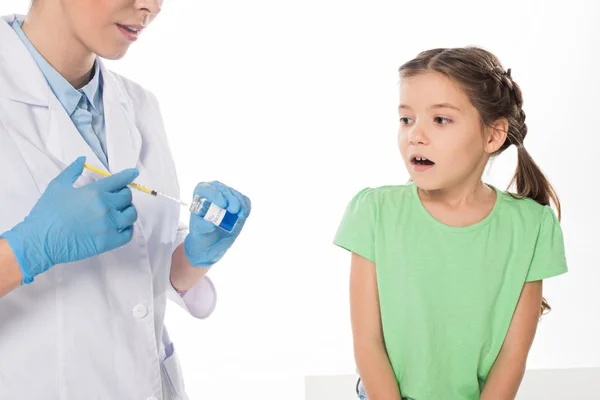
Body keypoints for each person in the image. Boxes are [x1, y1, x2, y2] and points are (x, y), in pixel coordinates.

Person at [0, 1, 250, 399]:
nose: (151, 5)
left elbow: (135, 270)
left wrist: (195, 255)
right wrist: (26, 249)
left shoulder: (138, 104)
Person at [333, 47, 568, 400]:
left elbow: (513, 353)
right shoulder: (374, 211)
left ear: (493, 135)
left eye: (440, 120)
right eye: (406, 119)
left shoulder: (532, 226)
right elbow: (367, 341)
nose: (416, 135)